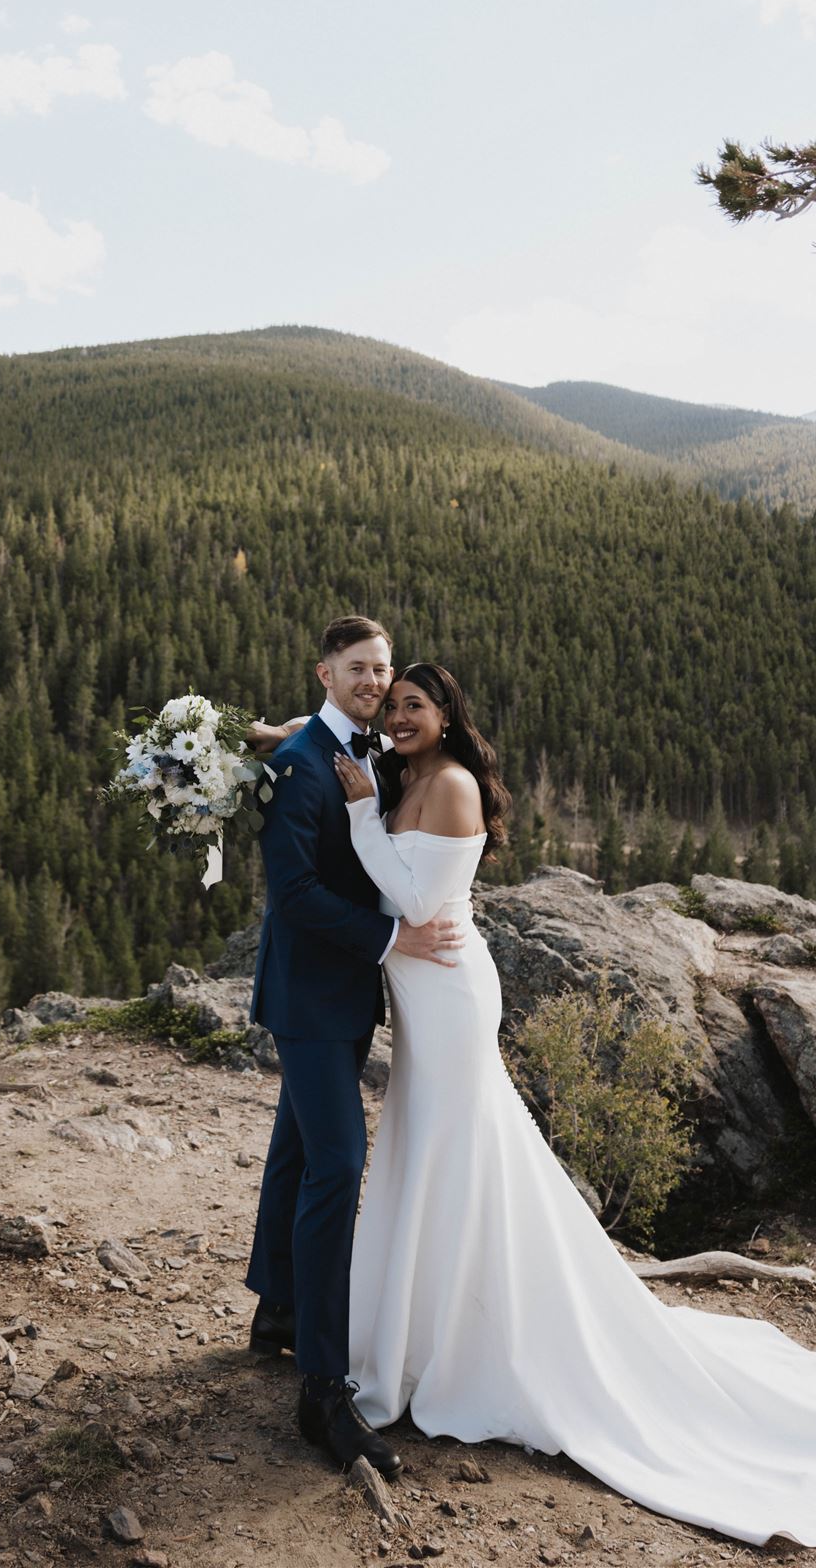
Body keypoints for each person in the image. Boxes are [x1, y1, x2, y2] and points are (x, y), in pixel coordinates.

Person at [324, 658, 816, 1549]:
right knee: (432, 1147)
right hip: (421, 991)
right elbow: (349, 772)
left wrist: (352, 813)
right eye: (395, 707)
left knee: (455, 1150)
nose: (402, 717)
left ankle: (458, 1341)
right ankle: (426, 1328)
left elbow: (415, 899)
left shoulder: (448, 786)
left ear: (449, 720)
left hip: (449, 994)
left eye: (418, 706)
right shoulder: (397, 771)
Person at [243, 616, 464, 1478]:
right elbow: (293, 892)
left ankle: (279, 1315)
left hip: (340, 996)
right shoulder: (299, 769)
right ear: (325, 672)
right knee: (337, 1165)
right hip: (309, 995)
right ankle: (323, 1390)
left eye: (381, 667)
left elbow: (318, 731)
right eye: (358, 668)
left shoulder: (354, 745)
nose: (374, 680)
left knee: (297, 1153)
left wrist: (290, 723)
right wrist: (388, 942)